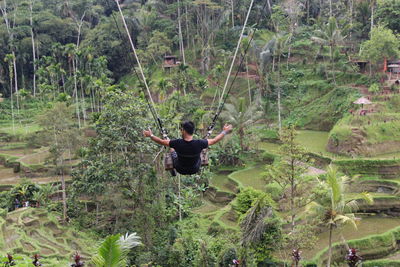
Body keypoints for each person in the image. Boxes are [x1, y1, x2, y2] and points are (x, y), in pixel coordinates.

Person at [143, 121, 233, 175]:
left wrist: (151, 135)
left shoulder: (177, 143)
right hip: (194, 168)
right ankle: (202, 148)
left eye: (181, 130)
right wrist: (224, 131)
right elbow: (214, 141)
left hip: (180, 168)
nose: (181, 131)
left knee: (172, 149)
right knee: (203, 146)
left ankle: (166, 136)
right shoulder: (199, 143)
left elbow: (162, 142)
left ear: (184, 131)